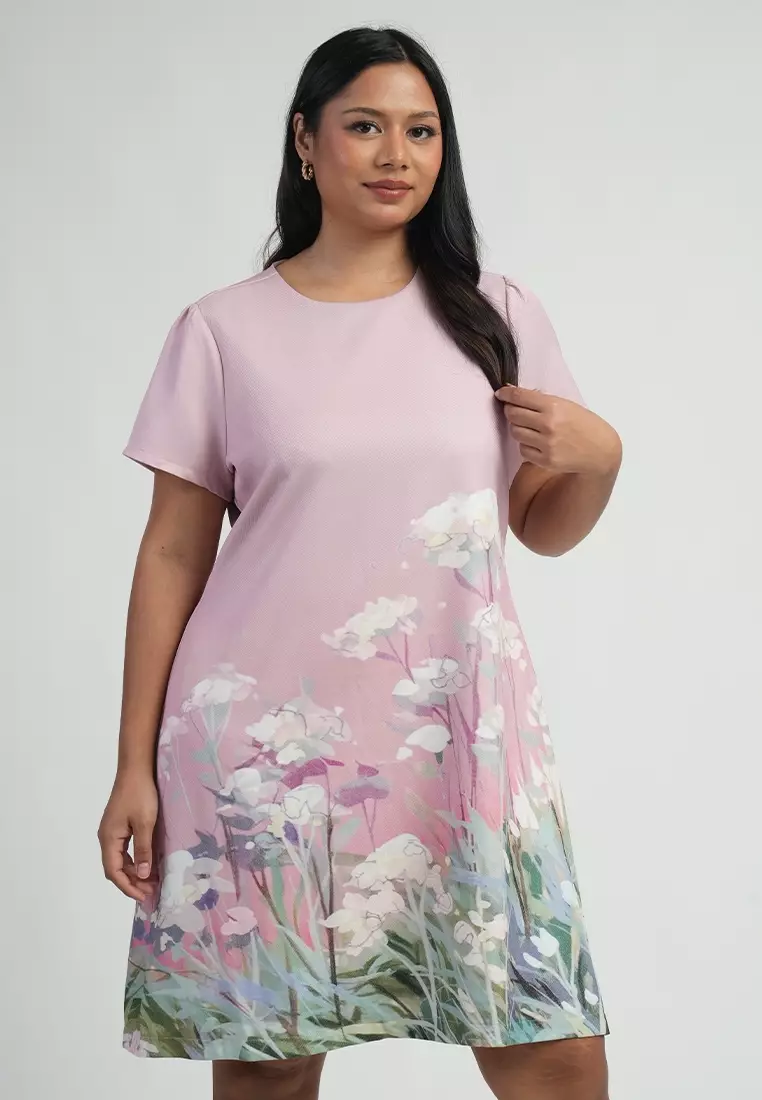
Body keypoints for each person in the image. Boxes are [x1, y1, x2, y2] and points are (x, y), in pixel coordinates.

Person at [98, 23, 621, 1100]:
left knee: (554, 1052)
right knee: (274, 1064)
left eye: (422, 131)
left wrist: (603, 456)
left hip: (462, 740)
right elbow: (172, 552)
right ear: (306, 141)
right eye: (366, 126)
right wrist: (133, 766)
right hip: (264, 753)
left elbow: (543, 525)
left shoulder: (496, 315)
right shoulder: (223, 331)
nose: (397, 154)